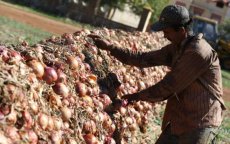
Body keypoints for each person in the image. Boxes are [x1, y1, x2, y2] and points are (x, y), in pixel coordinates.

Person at [89, 5, 226, 144]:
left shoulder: (197, 52)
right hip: (180, 119)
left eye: (166, 31)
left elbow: (169, 86)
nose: (164, 35)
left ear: (181, 30)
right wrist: (110, 47)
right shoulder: (178, 47)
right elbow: (143, 58)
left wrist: (135, 97)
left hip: (200, 122)